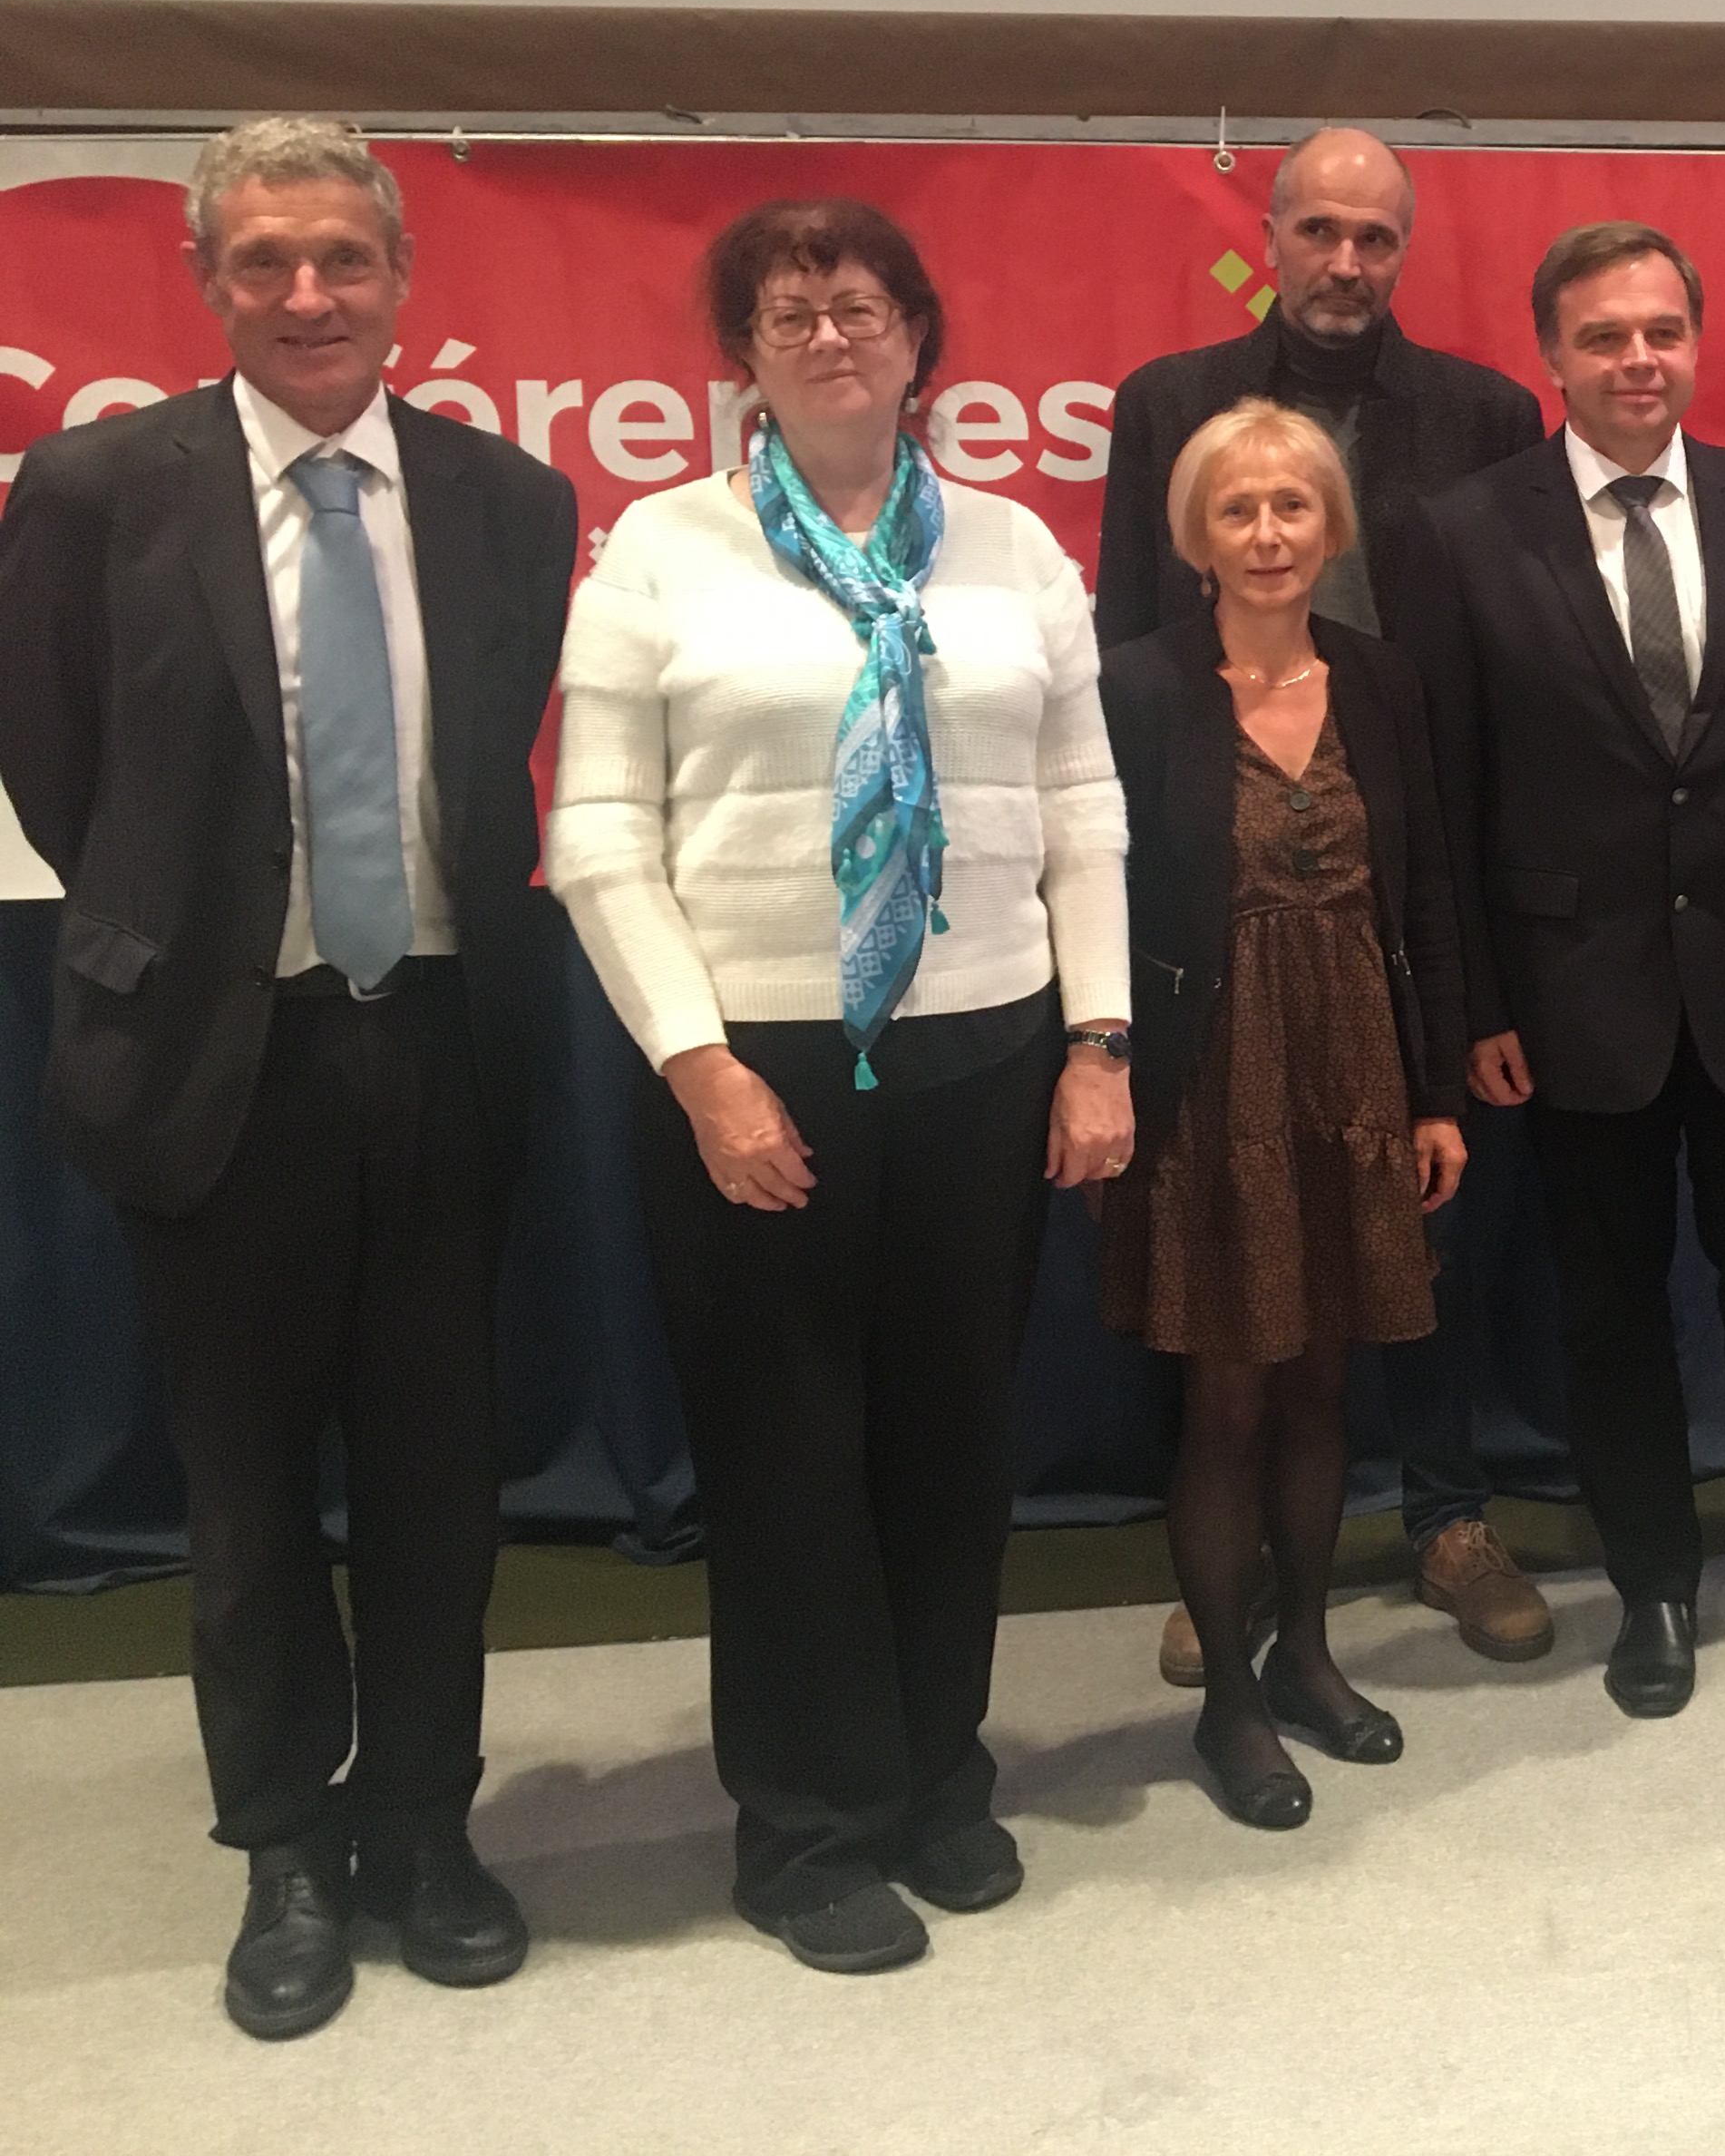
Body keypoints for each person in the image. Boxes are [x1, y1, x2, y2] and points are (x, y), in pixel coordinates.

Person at [0, 119, 576, 2042]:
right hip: (211, 1057)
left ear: (404, 275)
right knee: (245, 1494)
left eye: (343, 257)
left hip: (439, 1034)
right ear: (209, 284)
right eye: (267, 263)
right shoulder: (92, 488)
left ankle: (422, 1826)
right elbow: (61, 772)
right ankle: (286, 1849)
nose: (308, 296)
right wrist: (201, 930)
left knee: (436, 1479)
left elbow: (488, 761)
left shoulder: (508, 499)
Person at [547, 200, 1133, 1976]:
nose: (827, 333)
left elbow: (1086, 808)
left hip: (985, 1055)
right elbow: (593, 836)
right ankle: (806, 1829)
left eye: (859, 303)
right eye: (788, 309)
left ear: (918, 334)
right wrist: (699, 1068)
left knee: (954, 1446)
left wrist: (1098, 1039)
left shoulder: (1017, 551)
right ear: (740, 350)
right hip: (755, 1072)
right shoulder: (662, 547)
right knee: (790, 1457)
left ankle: (937, 1780)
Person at [1397, 220, 1725, 1719]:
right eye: (1604, 337)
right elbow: (1447, 790)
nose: (1638, 360)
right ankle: (1656, 1586)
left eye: (1661, 333)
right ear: (1550, 355)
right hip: (1567, 1001)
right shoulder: (1464, 528)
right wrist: (1476, 1002)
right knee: (1608, 1308)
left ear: (1698, 342)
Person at [1099, 128, 1554, 1683]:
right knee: (1226, 1276)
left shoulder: (1486, 415)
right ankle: (1227, 1575)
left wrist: (1471, 984)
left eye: (1375, 235)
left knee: (1418, 1239)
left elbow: (1499, 679)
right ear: (1271, 234)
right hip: (1216, 913)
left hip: (1400, 885)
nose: (1345, 261)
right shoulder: (1170, 404)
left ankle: (1446, 1515)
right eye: (1319, 230)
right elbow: (1117, 651)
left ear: (1403, 247)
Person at [1096, 402, 1471, 1829]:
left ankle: (1307, 1653)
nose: (1266, 534)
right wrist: (1109, 1073)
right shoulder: (1137, 686)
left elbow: (1425, 890)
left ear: (1333, 526)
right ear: (1194, 534)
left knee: (1325, 1382)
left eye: (1293, 507)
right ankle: (1228, 1703)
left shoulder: (1383, 680)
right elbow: (1098, 900)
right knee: (1229, 1394)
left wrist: (1437, 1095)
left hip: (1357, 1065)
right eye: (1238, 509)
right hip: (1207, 1075)